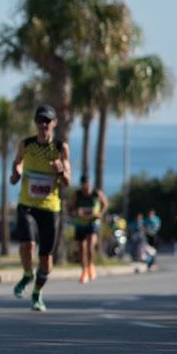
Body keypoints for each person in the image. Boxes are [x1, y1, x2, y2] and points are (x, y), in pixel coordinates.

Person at [10, 104, 70, 312]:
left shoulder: (61, 148)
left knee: (46, 257)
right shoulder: (26, 144)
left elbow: (68, 181)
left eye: (47, 121)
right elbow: (17, 163)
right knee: (28, 244)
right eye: (39, 121)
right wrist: (16, 173)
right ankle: (27, 273)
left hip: (50, 208)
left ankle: (37, 292)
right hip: (27, 204)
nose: (43, 125)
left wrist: (61, 171)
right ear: (35, 123)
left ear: (54, 123)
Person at [70, 176, 108, 284]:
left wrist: (100, 214)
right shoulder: (76, 194)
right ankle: (84, 271)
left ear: (90, 184)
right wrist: (76, 212)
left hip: (93, 223)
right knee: (82, 248)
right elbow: (70, 208)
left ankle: (91, 265)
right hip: (80, 224)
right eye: (83, 185)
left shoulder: (96, 193)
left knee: (90, 245)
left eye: (87, 185)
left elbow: (105, 204)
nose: (85, 187)